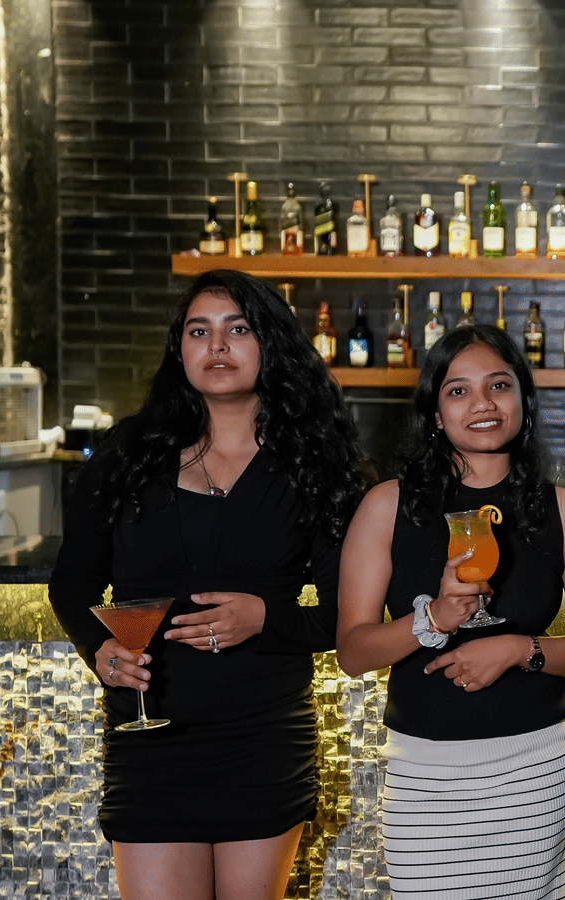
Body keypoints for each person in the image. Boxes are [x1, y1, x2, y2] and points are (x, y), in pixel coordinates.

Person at [49, 269, 369, 900]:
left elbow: (347, 619)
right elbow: (72, 584)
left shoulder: (314, 465)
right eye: (200, 331)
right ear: (180, 350)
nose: (217, 346)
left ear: (269, 344)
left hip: (262, 736)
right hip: (150, 737)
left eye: (237, 329)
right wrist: (100, 650)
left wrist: (265, 619)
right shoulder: (128, 453)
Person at [336, 325, 565, 900]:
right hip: (423, 769)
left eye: (499, 386)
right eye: (458, 391)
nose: (483, 404)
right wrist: (434, 619)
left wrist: (521, 649)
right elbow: (353, 653)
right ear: (436, 414)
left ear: (523, 401)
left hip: (535, 766)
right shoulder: (388, 506)